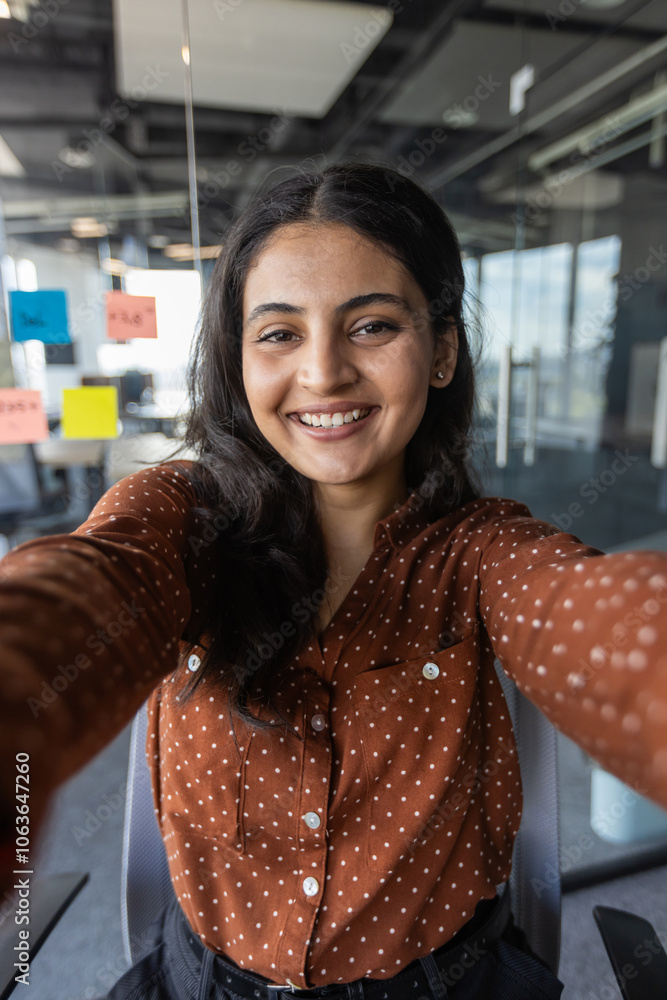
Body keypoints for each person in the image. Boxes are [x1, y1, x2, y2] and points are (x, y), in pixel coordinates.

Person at [2, 161, 667, 1000]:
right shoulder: (181, 521)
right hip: (206, 981)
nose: (322, 373)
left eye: (372, 326)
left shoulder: (485, 553)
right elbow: (78, 594)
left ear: (441, 351)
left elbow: (611, 632)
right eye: (279, 333)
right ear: (238, 362)